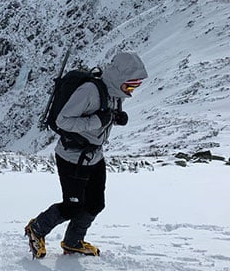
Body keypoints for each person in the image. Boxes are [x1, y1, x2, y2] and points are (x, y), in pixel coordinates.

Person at [26, 52, 148, 258]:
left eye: (134, 87)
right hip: (71, 157)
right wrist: (98, 121)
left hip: (95, 156)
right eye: (130, 86)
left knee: (95, 204)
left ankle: (73, 242)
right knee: (73, 206)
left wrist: (115, 118)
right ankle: (36, 229)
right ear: (120, 79)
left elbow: (100, 116)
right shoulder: (90, 91)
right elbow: (63, 121)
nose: (131, 91)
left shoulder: (114, 93)